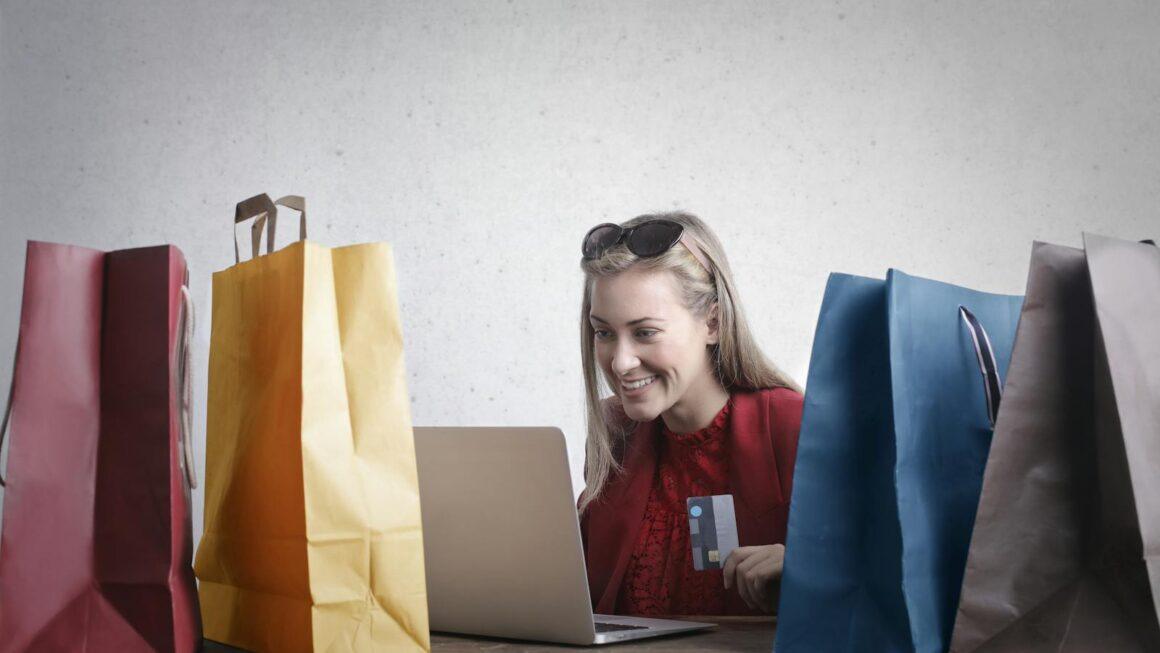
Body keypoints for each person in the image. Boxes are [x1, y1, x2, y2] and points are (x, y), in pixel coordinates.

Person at [577, 211, 803, 616]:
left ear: (713, 323)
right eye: (604, 332)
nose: (621, 362)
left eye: (645, 332)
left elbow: (885, 576)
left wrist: (810, 570)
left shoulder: (793, 427)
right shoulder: (616, 435)